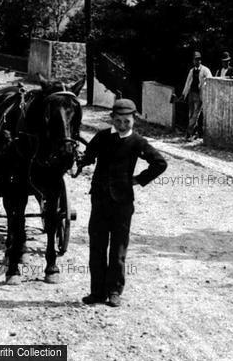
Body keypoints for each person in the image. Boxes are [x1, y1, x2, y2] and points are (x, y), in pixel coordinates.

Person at [75, 98, 167, 308]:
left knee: (118, 249)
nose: (122, 125)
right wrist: (80, 162)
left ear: (134, 119)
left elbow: (160, 163)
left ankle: (115, 291)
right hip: (99, 200)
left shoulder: (138, 142)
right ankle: (97, 292)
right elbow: (89, 156)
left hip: (122, 203)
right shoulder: (101, 137)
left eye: (127, 121)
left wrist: (138, 179)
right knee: (97, 247)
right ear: (112, 119)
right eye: (118, 121)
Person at [181, 51, 212, 140]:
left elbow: (210, 80)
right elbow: (187, 83)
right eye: (195, 60)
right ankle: (194, 133)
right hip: (191, 94)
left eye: (198, 59)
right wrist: (184, 94)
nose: (197, 61)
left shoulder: (205, 70)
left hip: (199, 95)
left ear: (200, 60)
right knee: (191, 114)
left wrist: (204, 86)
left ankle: (188, 132)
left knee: (196, 114)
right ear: (193, 61)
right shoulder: (192, 71)